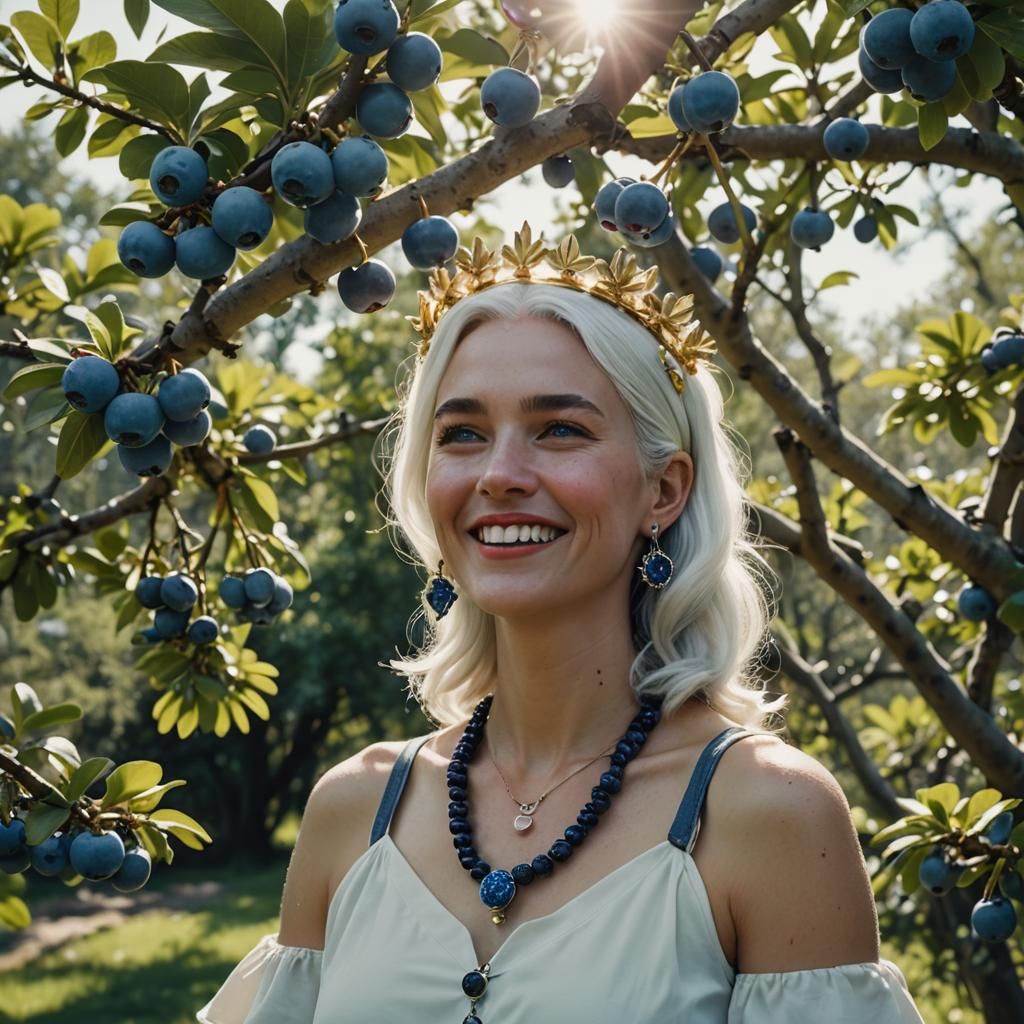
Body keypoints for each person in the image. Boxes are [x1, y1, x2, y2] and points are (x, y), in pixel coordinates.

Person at [196, 226, 926, 1023]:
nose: (500, 474)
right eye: (463, 433)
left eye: (560, 429)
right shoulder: (353, 810)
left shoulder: (769, 815)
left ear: (664, 491)